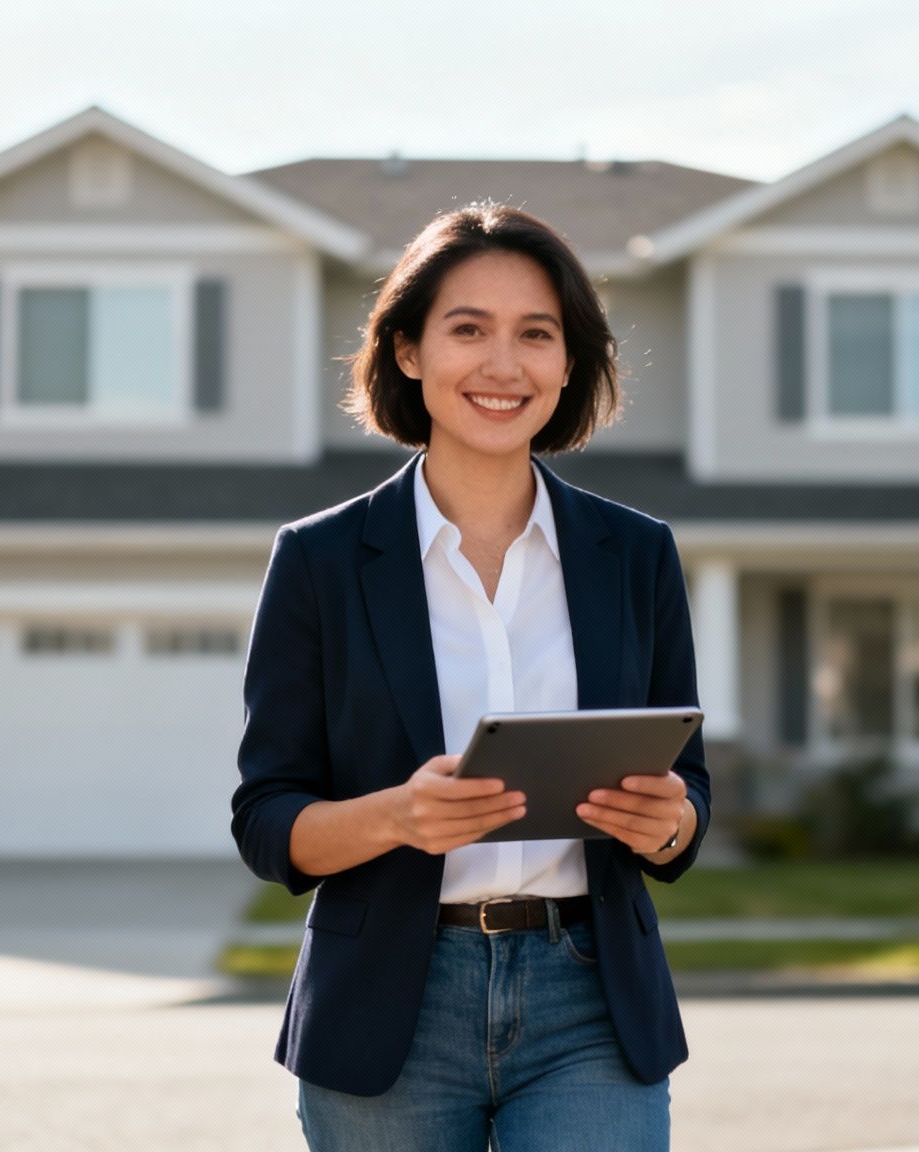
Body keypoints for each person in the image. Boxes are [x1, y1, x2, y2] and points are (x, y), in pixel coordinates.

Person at [231, 201, 711, 1151]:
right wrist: (395, 819)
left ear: (569, 362)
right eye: (468, 330)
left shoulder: (635, 554)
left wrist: (674, 822)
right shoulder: (321, 561)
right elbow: (267, 821)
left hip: (592, 996)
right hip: (387, 1008)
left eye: (537, 334)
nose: (504, 365)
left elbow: (687, 789)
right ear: (407, 351)